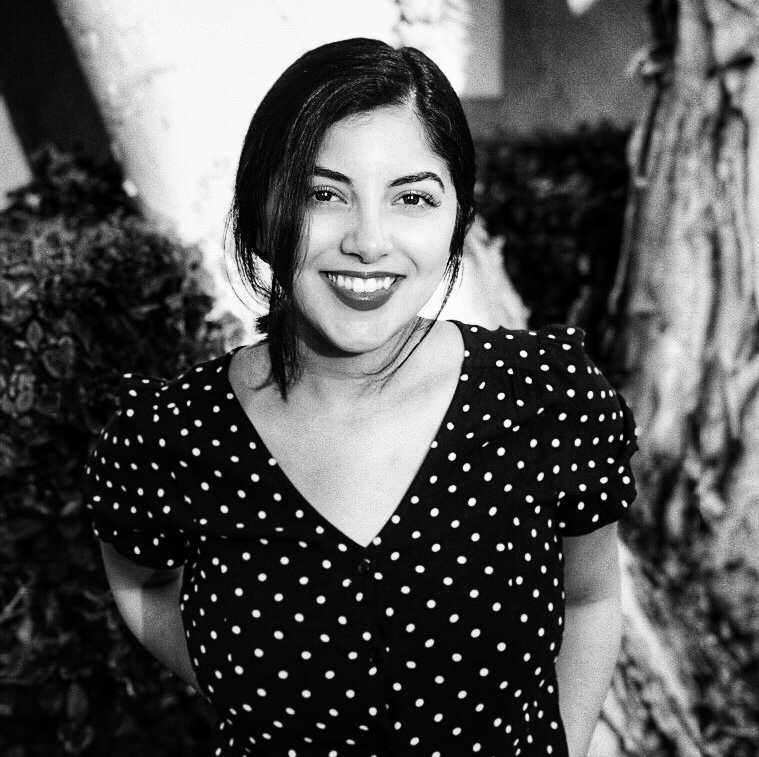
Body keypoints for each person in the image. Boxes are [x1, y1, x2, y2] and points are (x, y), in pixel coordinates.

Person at [84, 37, 638, 757]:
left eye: (412, 197)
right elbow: (139, 585)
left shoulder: (545, 401)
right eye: (323, 194)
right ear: (261, 210)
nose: (369, 241)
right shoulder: (171, 437)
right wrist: (255, 693)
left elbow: (591, 597)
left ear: (457, 220)